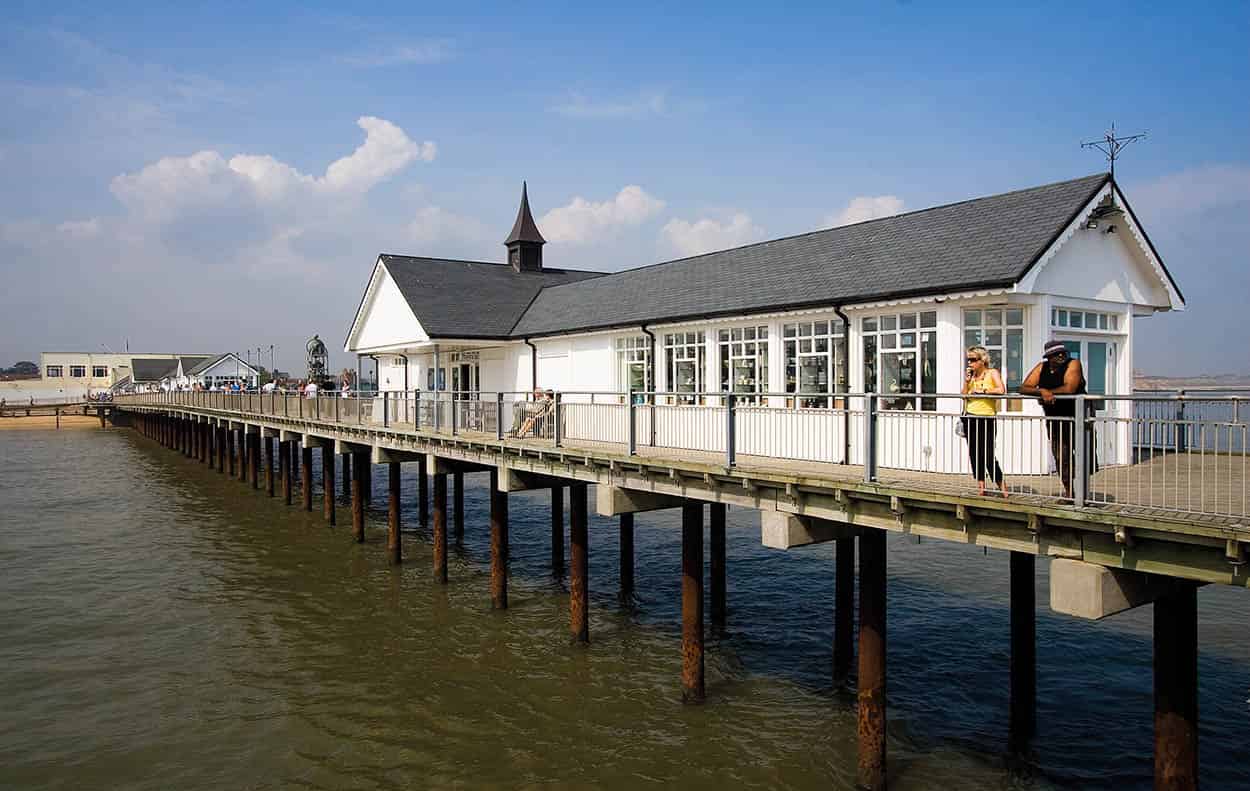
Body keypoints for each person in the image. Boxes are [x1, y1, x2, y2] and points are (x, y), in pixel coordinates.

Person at [1021, 339, 1087, 499]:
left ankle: (1083, 493)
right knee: (1060, 456)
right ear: (1049, 357)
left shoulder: (1074, 364)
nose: (1061, 357)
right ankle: (1070, 492)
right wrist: (1042, 391)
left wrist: (1049, 393)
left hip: (1077, 416)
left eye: (1063, 353)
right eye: (1057, 354)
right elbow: (1023, 387)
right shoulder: (1042, 367)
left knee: (1083, 453)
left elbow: (1070, 388)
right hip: (1055, 417)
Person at [961, 346, 1008, 497]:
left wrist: (983, 391)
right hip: (970, 416)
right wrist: (967, 382)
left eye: (973, 360)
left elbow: (1001, 390)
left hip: (986, 418)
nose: (970, 363)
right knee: (974, 454)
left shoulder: (992, 373)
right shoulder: (971, 376)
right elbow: (963, 396)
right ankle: (981, 488)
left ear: (982, 360)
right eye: (968, 360)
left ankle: (1003, 488)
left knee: (988, 454)